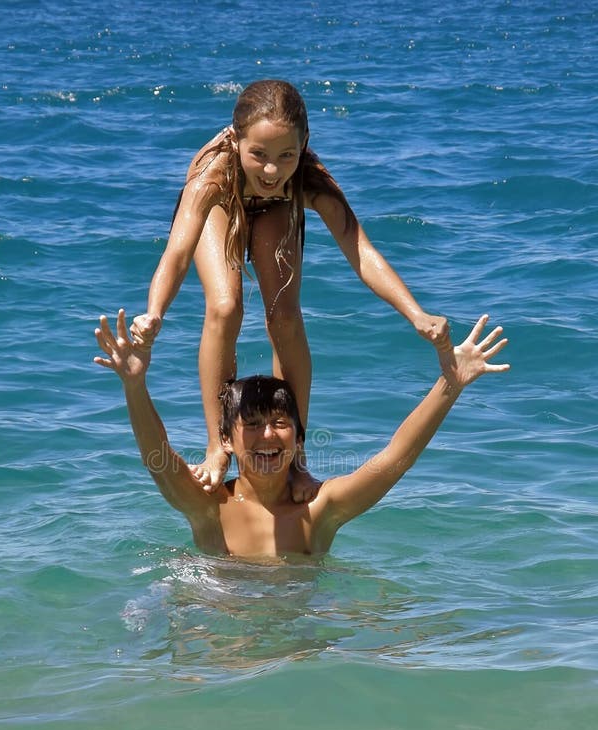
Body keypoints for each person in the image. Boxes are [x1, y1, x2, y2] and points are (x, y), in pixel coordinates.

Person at [130, 79, 451, 495]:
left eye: (286, 155)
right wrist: (154, 311)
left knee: (283, 314)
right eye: (258, 154)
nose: (271, 169)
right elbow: (175, 253)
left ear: (304, 145)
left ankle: (296, 455)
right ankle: (217, 446)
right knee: (226, 307)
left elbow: (360, 251)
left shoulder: (307, 178)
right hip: (222, 203)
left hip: (279, 209)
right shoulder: (212, 175)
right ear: (235, 139)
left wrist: (417, 315)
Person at [94, 309, 509, 560]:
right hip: (220, 624)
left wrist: (449, 385)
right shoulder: (209, 507)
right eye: (252, 425)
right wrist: (134, 384)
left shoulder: (319, 510)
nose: (268, 437)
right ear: (226, 440)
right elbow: (158, 459)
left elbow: (394, 461)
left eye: (279, 423)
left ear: (298, 436)